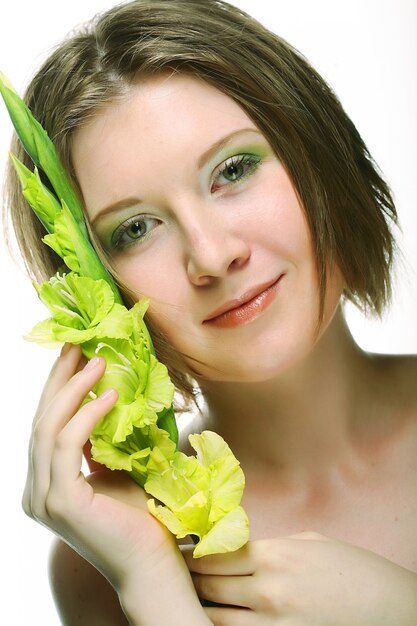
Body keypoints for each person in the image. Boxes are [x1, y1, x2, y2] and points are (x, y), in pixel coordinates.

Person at [4, 0, 417, 623]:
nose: (212, 255)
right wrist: (151, 584)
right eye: (136, 228)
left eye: (234, 169)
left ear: (318, 152)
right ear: (92, 288)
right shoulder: (107, 562)